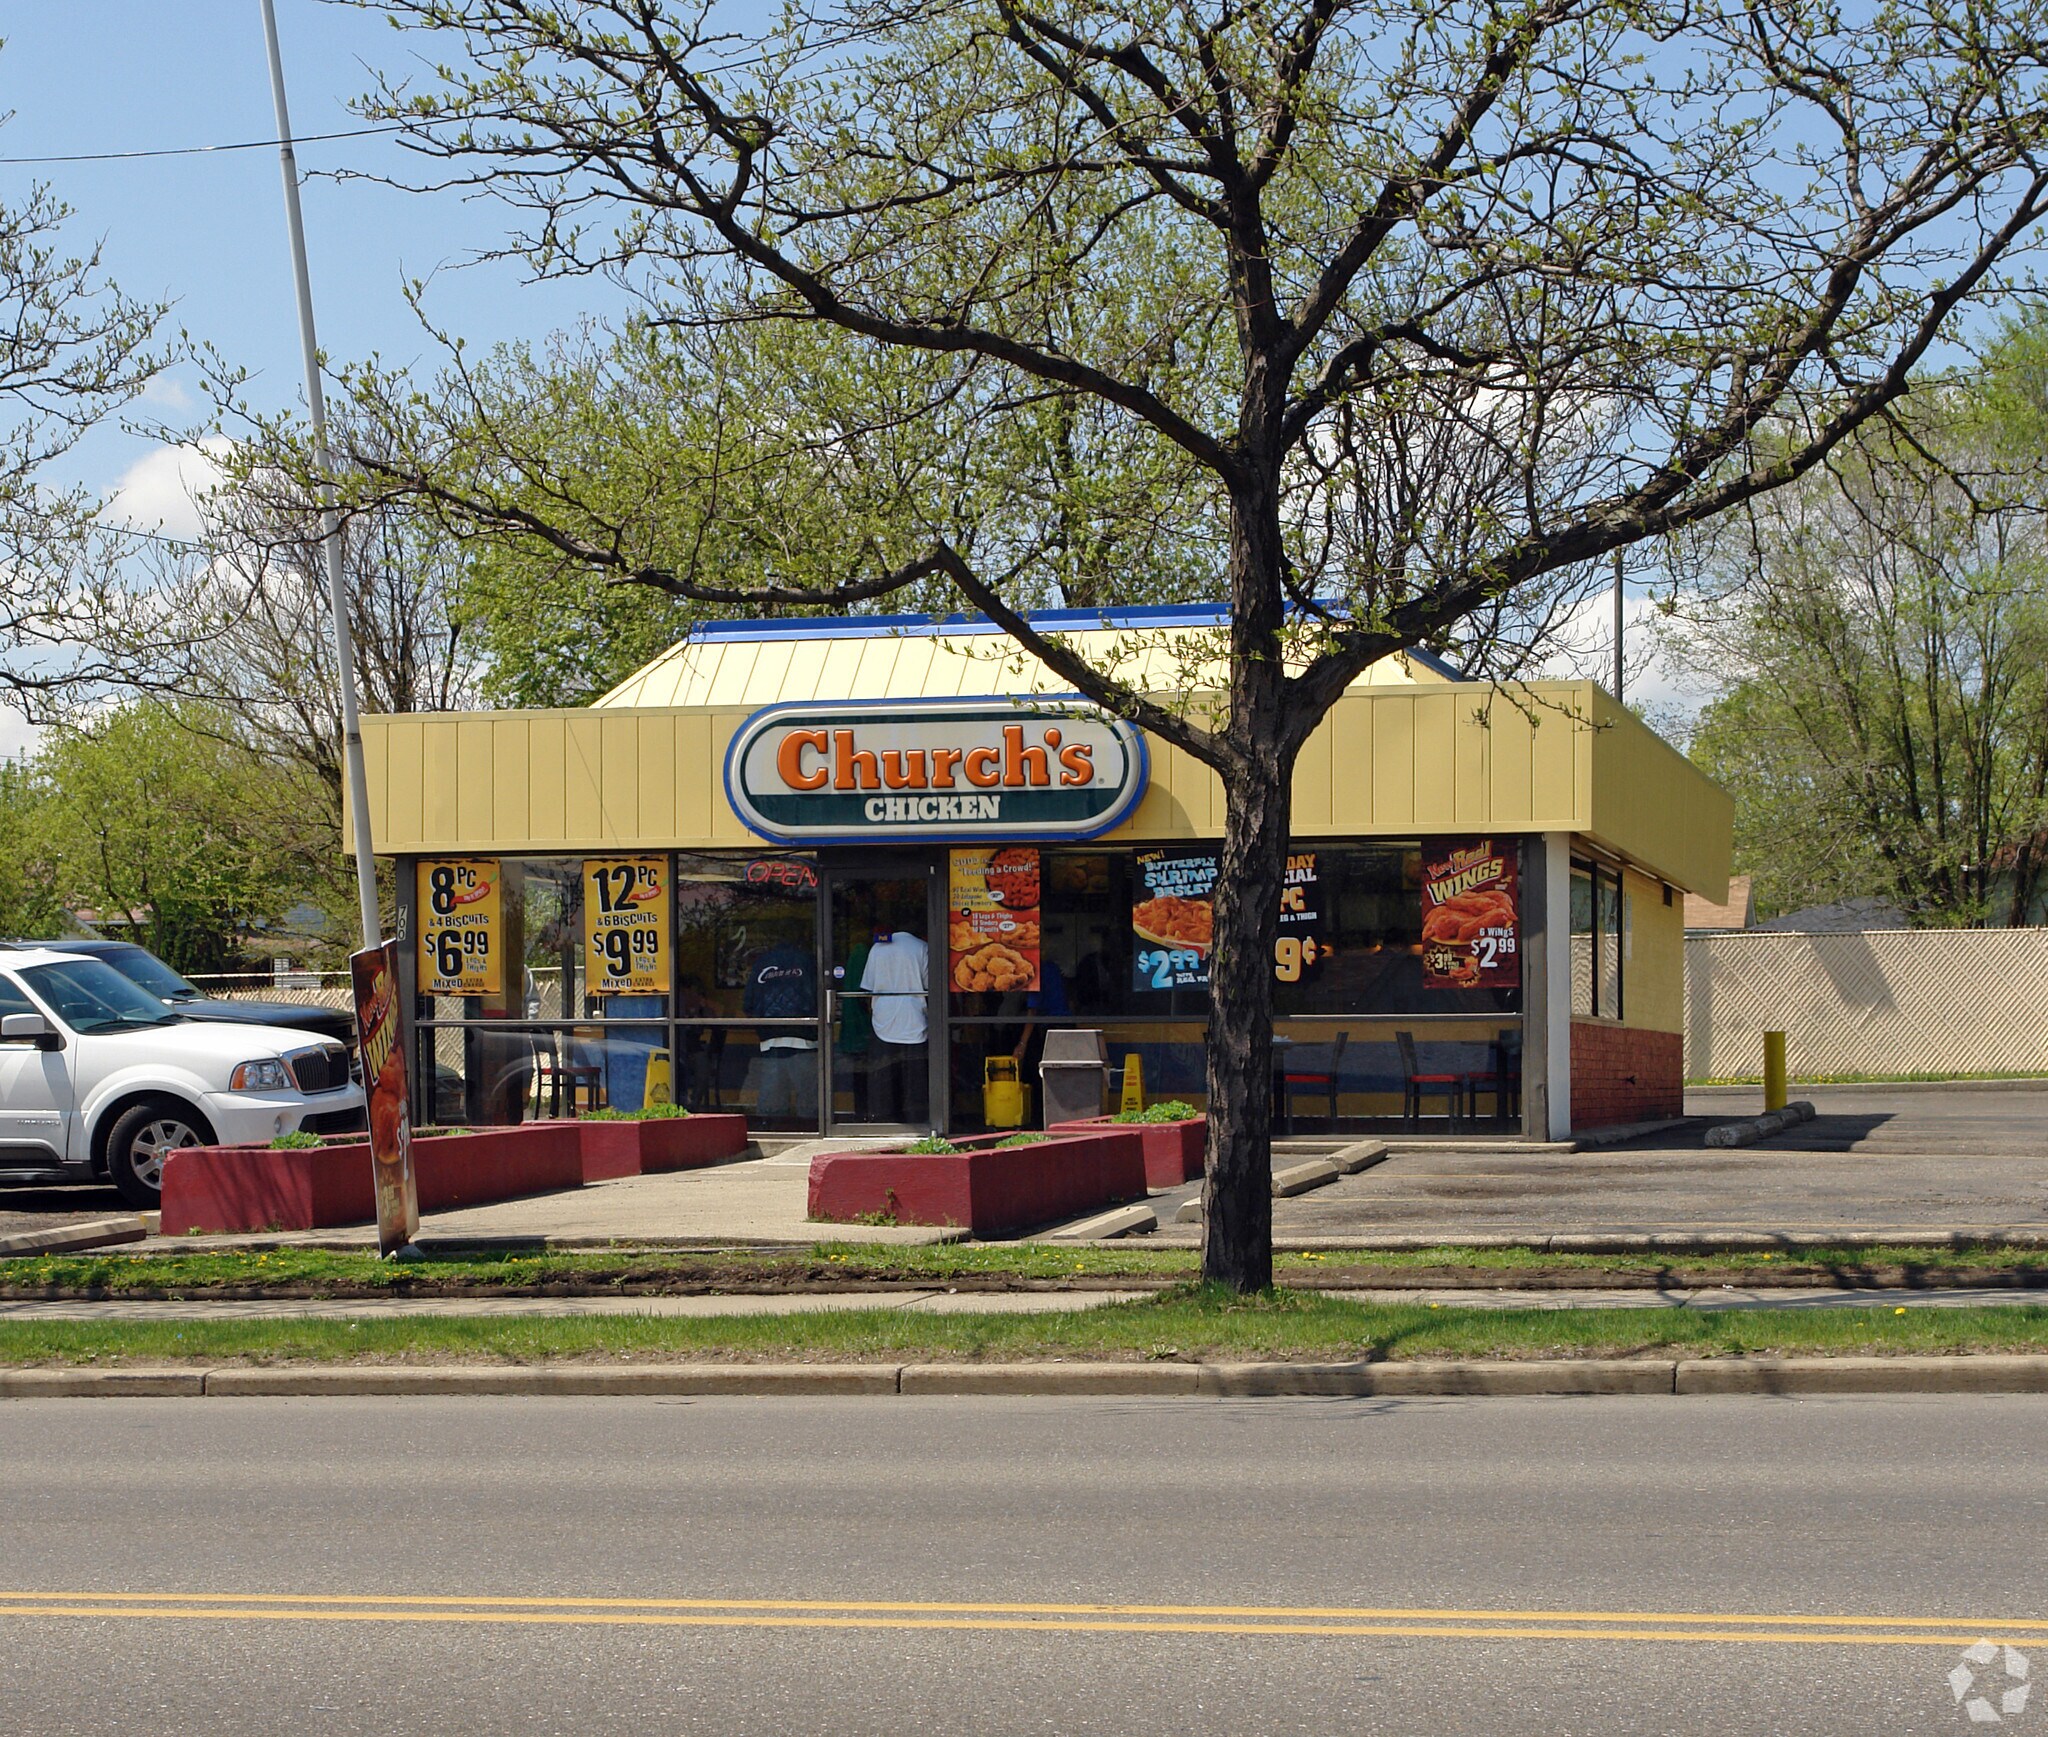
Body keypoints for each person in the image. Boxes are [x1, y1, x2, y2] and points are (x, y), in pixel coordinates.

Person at [743, 936, 818, 1126]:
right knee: (809, 1098)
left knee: (772, 1098)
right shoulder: (808, 960)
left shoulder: (762, 964)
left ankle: (772, 1129)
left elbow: (748, 1003)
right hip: (805, 1036)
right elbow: (818, 996)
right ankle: (810, 1131)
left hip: (770, 1038)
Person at [860, 923, 929, 1123]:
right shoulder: (921, 947)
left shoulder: (878, 948)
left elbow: (868, 986)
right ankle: (917, 1116)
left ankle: (883, 1117)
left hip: (883, 1019)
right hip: (914, 1018)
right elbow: (928, 984)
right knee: (915, 1076)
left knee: (882, 1073)